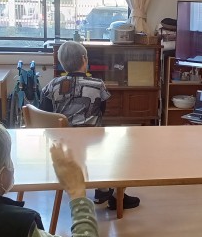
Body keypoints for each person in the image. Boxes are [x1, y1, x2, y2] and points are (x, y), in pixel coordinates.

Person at [39, 40, 140, 210]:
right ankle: (111, 192)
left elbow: (45, 113)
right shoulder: (97, 85)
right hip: (92, 142)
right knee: (126, 143)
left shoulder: (53, 85)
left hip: (61, 145)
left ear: (62, 63)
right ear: (84, 59)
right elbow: (101, 111)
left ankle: (105, 190)